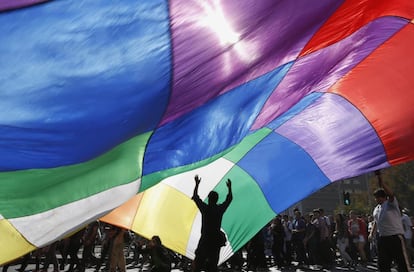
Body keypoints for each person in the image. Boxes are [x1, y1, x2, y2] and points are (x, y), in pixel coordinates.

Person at [368, 170, 410, 272]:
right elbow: (376, 222)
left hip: (395, 237)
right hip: (383, 239)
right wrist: (371, 234)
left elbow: (391, 194)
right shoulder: (376, 209)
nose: (376, 199)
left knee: (401, 264)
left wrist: (381, 181)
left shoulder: (391, 204)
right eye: (375, 197)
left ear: (383, 197)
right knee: (383, 264)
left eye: (377, 197)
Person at [191, 175, 233, 272]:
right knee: (213, 265)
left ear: (209, 199)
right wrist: (229, 188)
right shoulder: (219, 209)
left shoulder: (205, 209)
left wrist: (196, 184)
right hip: (215, 240)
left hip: (205, 239)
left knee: (198, 263)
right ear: (217, 199)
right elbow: (229, 199)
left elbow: (196, 197)